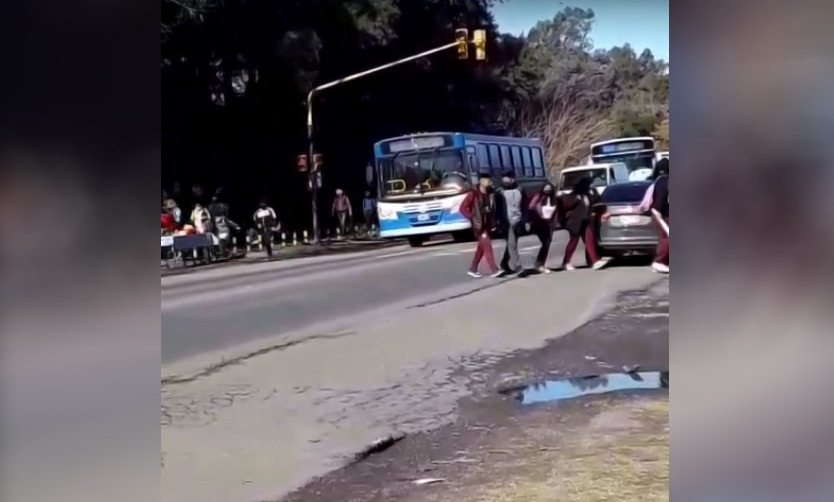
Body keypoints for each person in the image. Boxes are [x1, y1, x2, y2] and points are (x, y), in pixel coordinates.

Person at [460, 172, 502, 278]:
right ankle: (494, 269)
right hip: (479, 225)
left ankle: (473, 268)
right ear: (481, 181)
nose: (490, 182)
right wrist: (472, 217)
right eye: (487, 180)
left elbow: (494, 208)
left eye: (490, 180)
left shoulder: (491, 193)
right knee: (487, 244)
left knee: (481, 247)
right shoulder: (473, 194)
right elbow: (462, 208)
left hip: (488, 223)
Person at [558, 176, 604, 270]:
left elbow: (597, 200)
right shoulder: (573, 195)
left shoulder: (588, 195)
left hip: (586, 221)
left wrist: (594, 190)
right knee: (573, 242)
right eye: (589, 184)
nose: (591, 186)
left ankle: (594, 261)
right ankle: (566, 262)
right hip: (575, 222)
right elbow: (566, 205)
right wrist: (576, 200)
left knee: (589, 240)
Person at [638, 158, 669, 273]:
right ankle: (659, 261)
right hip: (662, 214)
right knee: (667, 238)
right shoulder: (664, 182)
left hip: (660, 214)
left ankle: (662, 262)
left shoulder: (657, 182)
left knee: (664, 238)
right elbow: (660, 203)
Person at [496, 170, 528, 275]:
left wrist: (526, 220)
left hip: (518, 220)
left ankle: (504, 263)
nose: (504, 179)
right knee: (512, 244)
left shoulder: (520, 190)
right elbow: (497, 209)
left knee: (512, 244)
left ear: (512, 178)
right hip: (507, 221)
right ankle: (518, 266)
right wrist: (498, 222)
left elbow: (525, 206)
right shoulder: (499, 192)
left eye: (506, 177)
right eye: (503, 177)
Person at [528, 181, 558, 273]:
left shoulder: (554, 199)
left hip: (550, 223)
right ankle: (539, 264)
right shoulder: (539, 197)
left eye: (549, 189)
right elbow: (531, 207)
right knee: (545, 243)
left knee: (547, 244)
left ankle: (540, 264)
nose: (548, 190)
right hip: (540, 223)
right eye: (546, 188)